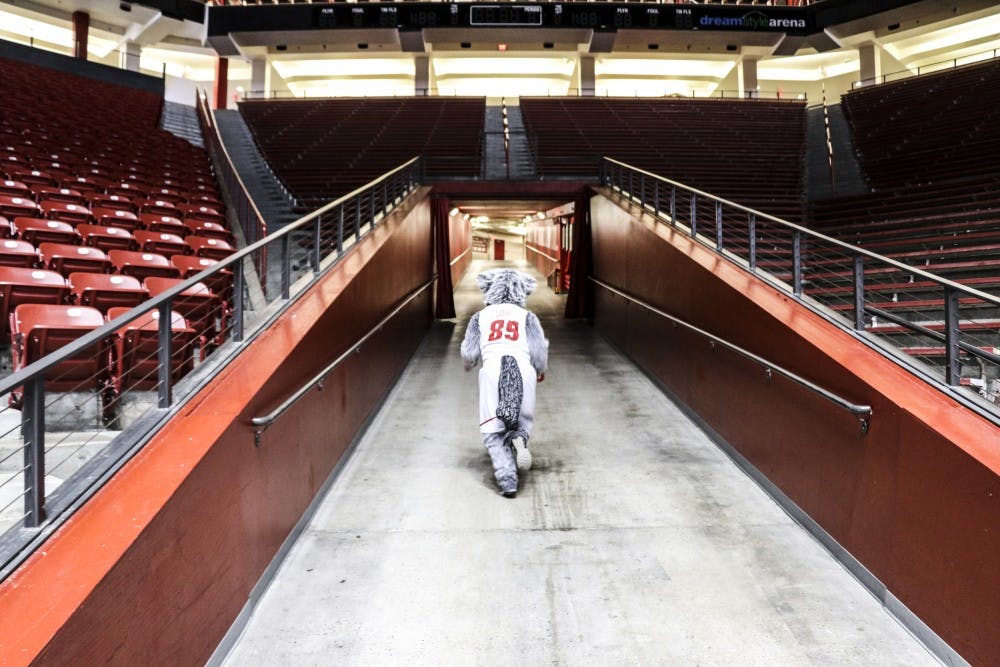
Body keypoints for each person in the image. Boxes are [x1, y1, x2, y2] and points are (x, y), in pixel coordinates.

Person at [461, 269, 548, 498]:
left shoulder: (479, 317)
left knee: (493, 431)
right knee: (521, 421)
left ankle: (507, 479)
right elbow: (539, 350)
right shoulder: (527, 317)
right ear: (522, 291)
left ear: (490, 290)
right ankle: (518, 437)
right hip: (523, 371)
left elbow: (469, 353)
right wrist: (540, 370)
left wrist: (469, 364)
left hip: (492, 372)